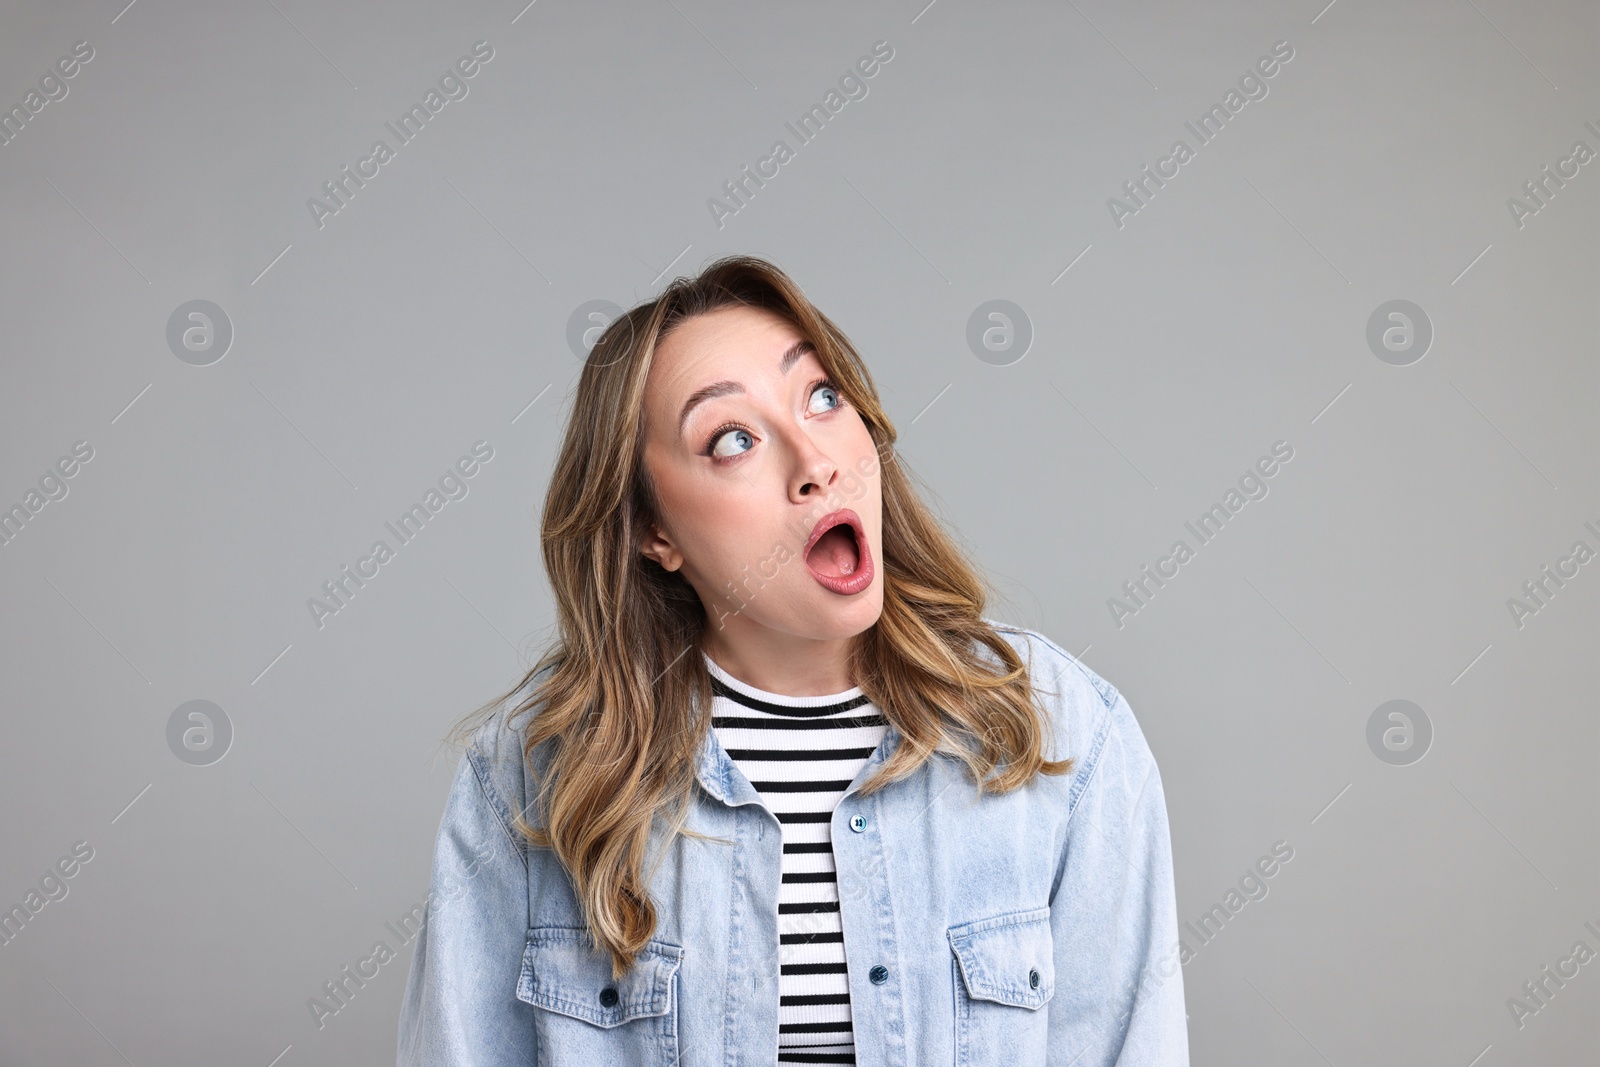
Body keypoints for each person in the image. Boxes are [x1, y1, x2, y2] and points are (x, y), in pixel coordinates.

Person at [396, 255, 1189, 1065]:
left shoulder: (1060, 732)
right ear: (653, 531)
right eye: (732, 439)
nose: (814, 462)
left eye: (821, 396)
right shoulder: (530, 772)